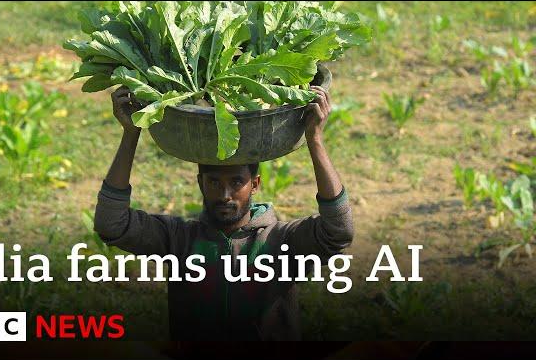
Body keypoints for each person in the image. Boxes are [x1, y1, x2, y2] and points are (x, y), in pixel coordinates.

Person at [93, 85, 354, 342]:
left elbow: (338, 231)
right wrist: (131, 133)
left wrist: (315, 140)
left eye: (236, 182)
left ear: (255, 184)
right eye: (214, 182)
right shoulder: (180, 240)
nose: (225, 194)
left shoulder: (281, 242)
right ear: (200, 183)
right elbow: (111, 225)